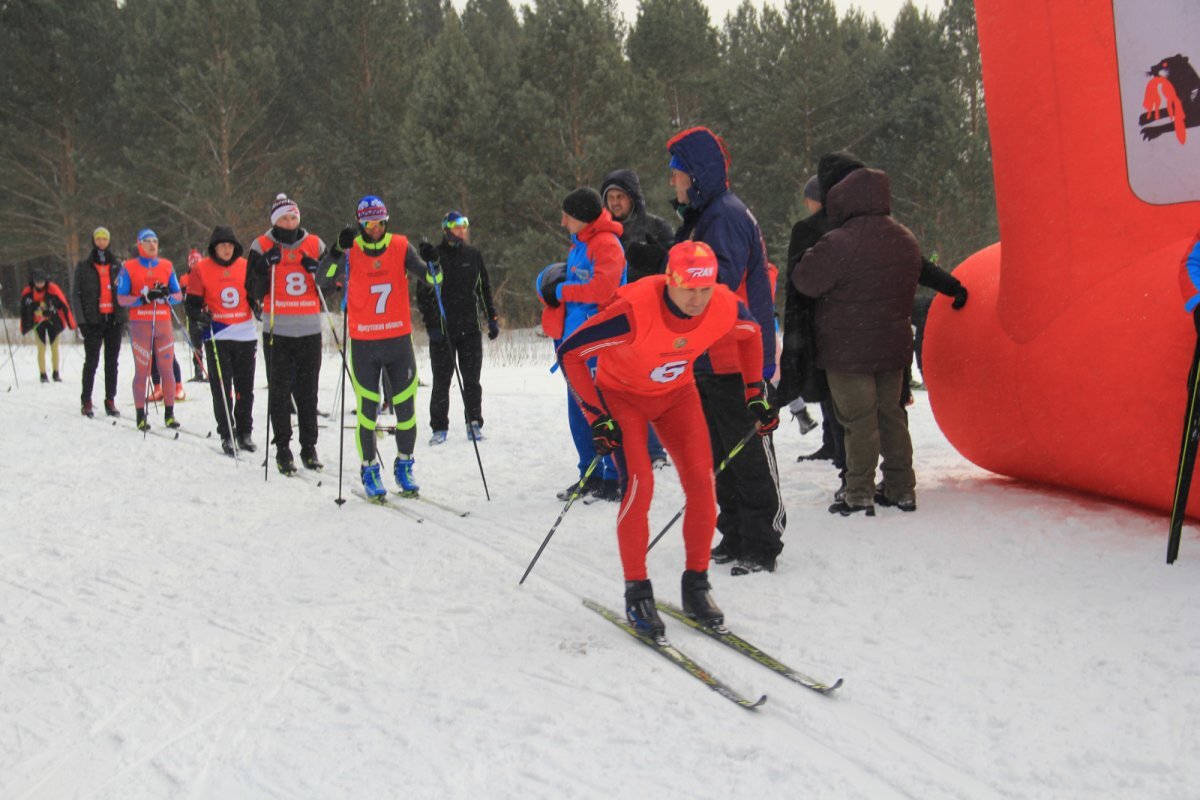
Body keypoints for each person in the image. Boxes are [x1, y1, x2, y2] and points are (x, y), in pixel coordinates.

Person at [558, 241, 776, 636]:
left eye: (705, 288)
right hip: (622, 395)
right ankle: (637, 590)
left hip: (676, 395)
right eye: (688, 288)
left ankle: (696, 585)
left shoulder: (722, 305)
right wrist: (597, 417)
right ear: (669, 282)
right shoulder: (632, 312)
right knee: (640, 483)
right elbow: (571, 352)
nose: (697, 298)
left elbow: (751, 334)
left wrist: (754, 391)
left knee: (701, 484)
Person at [667, 126, 785, 574]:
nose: (672, 184)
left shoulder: (725, 216)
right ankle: (735, 532)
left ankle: (761, 540)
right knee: (721, 452)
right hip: (707, 356)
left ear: (695, 175)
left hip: (738, 355)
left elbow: (711, 287)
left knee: (747, 450)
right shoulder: (703, 215)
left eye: (676, 175)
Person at [794, 155, 922, 515]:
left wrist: (807, 255)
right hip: (893, 346)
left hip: (847, 350)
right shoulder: (904, 238)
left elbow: (806, 281)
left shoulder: (839, 242)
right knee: (892, 416)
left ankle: (859, 491)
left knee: (858, 422)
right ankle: (901, 487)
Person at [322, 195, 424, 499]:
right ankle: (369, 470)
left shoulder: (400, 245)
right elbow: (322, 281)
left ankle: (404, 466)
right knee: (368, 410)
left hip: (398, 340)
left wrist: (433, 261)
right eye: (368, 224)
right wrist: (336, 251)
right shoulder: (351, 249)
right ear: (360, 224)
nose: (375, 229)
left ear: (386, 221)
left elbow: (432, 277)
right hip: (365, 343)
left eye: (379, 223)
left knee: (406, 409)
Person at [534, 187, 626, 502]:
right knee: (580, 412)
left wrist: (561, 291)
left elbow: (602, 290)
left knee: (601, 409)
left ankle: (614, 477)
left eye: (567, 216)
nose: (562, 222)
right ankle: (591, 473)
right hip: (573, 344)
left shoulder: (607, 245)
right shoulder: (580, 245)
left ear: (582, 218)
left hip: (599, 343)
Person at [245, 193, 329, 474]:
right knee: (279, 393)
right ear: (274, 221)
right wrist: (262, 264)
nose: (289, 222)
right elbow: (251, 288)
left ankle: (309, 446)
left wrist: (318, 272)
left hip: (308, 330)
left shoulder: (315, 244)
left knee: (308, 393)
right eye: (283, 218)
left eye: (293, 217)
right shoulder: (261, 244)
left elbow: (333, 282)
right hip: (277, 330)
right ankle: (283, 448)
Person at [601, 168, 676, 468]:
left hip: (651, 315)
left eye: (620, 197)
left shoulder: (656, 226)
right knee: (618, 385)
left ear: (633, 198)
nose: (615, 203)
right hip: (613, 315)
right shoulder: (601, 232)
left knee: (650, 384)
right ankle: (626, 446)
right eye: (611, 198)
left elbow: (673, 267)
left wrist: (652, 259)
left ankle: (657, 450)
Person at [415, 211, 499, 445]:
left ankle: (473, 422)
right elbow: (423, 295)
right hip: (443, 330)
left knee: (472, 379)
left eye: (464, 225)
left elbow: (484, 287)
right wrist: (432, 324)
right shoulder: (435, 257)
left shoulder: (473, 255)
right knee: (442, 380)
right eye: (456, 225)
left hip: (470, 329)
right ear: (446, 229)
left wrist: (491, 317)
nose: (461, 229)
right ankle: (439, 427)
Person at [186, 226, 258, 456]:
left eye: (230, 245)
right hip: (218, 335)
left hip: (245, 333)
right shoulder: (201, 269)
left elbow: (253, 295)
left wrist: (257, 306)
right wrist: (200, 316)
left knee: (245, 388)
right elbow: (191, 305)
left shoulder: (245, 266)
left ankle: (245, 432)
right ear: (214, 248)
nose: (226, 250)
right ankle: (227, 433)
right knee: (221, 388)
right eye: (222, 245)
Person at [117, 229, 183, 431]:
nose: (152, 245)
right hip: (140, 324)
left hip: (163, 324)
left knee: (167, 370)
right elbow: (121, 298)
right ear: (139, 244)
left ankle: (169, 414)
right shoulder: (129, 267)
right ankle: (140, 415)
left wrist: (166, 296)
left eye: (155, 240)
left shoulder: (166, 265)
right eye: (147, 241)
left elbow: (179, 295)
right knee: (142, 370)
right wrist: (143, 299)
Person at [74, 226, 126, 417]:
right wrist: (81, 321)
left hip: (114, 320)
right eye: (99, 239)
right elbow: (75, 295)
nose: (102, 242)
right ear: (93, 241)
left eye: (105, 239)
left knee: (112, 362)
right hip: (93, 321)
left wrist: (123, 315)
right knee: (92, 362)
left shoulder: (116, 265)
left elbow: (125, 289)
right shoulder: (84, 266)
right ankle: (86, 400)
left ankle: (110, 399)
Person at [20, 268, 76, 383]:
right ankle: (43, 374)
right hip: (38, 323)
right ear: (33, 281)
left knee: (54, 348)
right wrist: (25, 326)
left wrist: (71, 324)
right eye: (37, 282)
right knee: (41, 348)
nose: (40, 284)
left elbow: (64, 305)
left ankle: (56, 373)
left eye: (42, 282)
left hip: (52, 322)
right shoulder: (28, 292)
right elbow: (24, 310)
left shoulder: (53, 289)